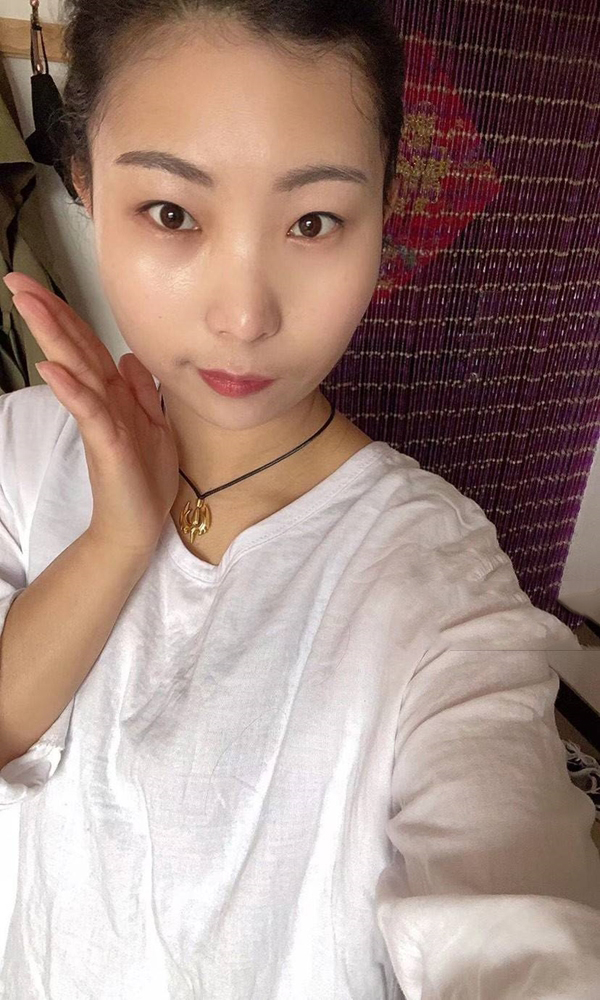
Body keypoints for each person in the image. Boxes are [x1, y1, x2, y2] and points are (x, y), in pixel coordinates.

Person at [1, 1, 599, 997]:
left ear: (384, 209)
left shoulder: (439, 583)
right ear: (86, 187)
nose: (245, 316)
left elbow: (516, 929)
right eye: (173, 213)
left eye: (314, 222)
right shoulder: (21, 451)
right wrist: (115, 542)